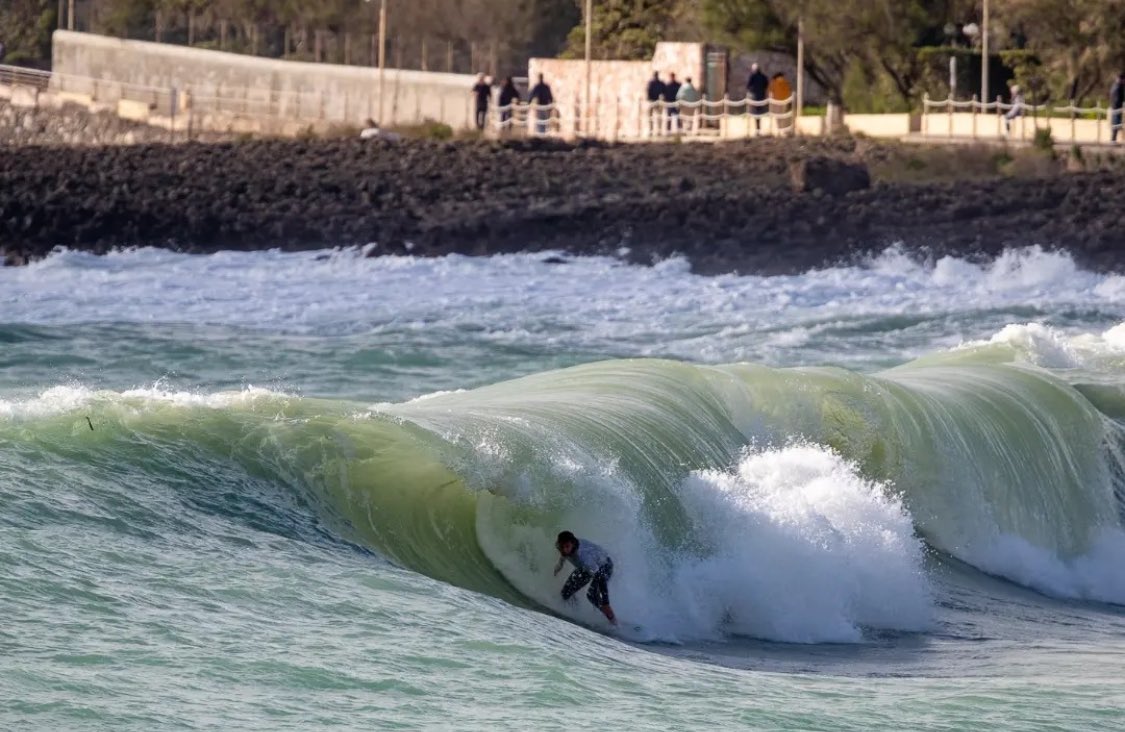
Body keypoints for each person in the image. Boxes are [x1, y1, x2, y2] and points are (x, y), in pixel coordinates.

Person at [553, 530, 616, 625]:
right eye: (562, 547)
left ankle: (613, 621)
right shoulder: (562, 546)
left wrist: (605, 602)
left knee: (592, 595)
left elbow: (600, 576)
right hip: (585, 568)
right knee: (565, 593)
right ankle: (575, 612)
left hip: (604, 566)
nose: (564, 549)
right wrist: (559, 566)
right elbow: (564, 554)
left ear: (573, 545)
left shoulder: (583, 557)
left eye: (567, 547)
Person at [747, 63, 769, 132]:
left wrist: (752, 90)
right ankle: (758, 127)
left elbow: (748, 86)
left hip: (755, 96)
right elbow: (766, 84)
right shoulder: (763, 76)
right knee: (760, 112)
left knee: (755, 112)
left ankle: (757, 128)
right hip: (762, 96)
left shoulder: (752, 76)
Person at [646, 71, 665, 135]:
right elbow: (648, 91)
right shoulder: (653, 83)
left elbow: (663, 91)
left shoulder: (658, 83)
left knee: (657, 116)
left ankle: (657, 130)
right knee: (652, 116)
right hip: (653, 101)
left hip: (656, 101)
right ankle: (652, 130)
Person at [1111, 72, 1125, 144]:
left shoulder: (1115, 86)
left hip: (1114, 108)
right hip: (1117, 108)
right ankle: (1113, 140)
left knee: (1116, 125)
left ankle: (1113, 140)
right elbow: (1118, 99)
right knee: (1116, 125)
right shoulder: (1118, 87)